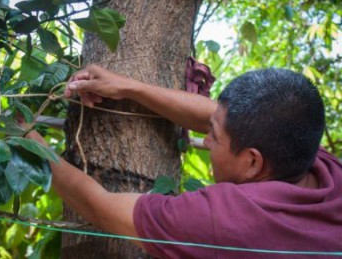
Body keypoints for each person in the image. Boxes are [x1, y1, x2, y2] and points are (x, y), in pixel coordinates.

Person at [26, 65, 342, 259]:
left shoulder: (230, 220)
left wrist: (23, 138)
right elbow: (212, 115)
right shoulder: (315, 160)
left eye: (214, 137)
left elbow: (100, 206)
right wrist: (129, 87)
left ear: (252, 163)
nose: (204, 140)